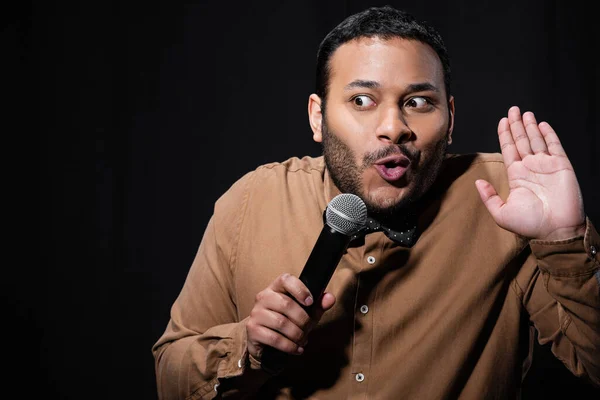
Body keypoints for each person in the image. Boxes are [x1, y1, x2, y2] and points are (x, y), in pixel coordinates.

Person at [152, 5, 599, 399]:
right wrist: (246, 348)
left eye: (419, 101)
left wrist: (564, 242)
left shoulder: (507, 201)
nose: (394, 127)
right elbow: (170, 378)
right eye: (362, 100)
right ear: (317, 115)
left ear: (450, 120)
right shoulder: (250, 202)